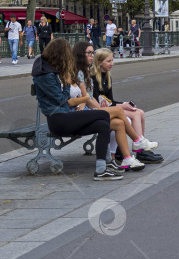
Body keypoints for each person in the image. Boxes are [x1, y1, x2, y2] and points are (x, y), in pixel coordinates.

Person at [32, 39, 123, 180]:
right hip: (58, 120)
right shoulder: (46, 75)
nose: (69, 57)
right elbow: (61, 100)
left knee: (102, 124)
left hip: (66, 116)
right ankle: (106, 164)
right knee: (104, 115)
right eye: (67, 53)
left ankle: (102, 168)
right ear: (60, 54)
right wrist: (68, 84)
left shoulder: (51, 71)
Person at [70, 42, 148, 170]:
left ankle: (126, 158)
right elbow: (85, 98)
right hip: (76, 114)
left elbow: (88, 97)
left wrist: (100, 108)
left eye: (92, 53)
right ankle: (136, 143)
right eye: (89, 53)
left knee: (120, 121)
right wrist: (100, 109)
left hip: (87, 110)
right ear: (80, 55)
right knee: (120, 114)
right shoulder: (80, 73)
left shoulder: (84, 73)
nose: (92, 56)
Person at [91, 48, 158, 148]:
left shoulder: (107, 76)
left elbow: (111, 100)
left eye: (112, 60)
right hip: (101, 110)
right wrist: (123, 106)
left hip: (109, 107)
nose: (112, 63)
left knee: (140, 112)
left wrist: (125, 104)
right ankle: (139, 144)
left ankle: (142, 144)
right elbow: (96, 101)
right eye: (108, 61)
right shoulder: (94, 77)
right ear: (99, 62)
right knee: (135, 115)